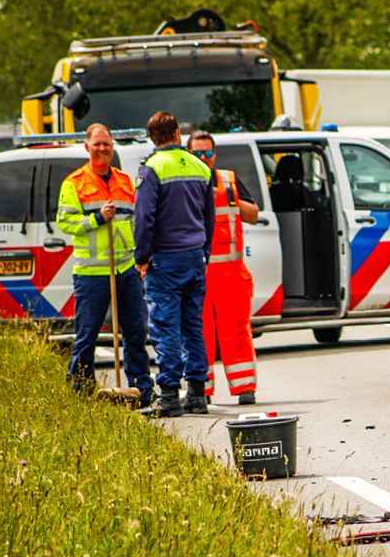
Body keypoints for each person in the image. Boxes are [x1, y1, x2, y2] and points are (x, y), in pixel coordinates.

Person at [57, 123, 155, 407]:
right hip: (91, 273)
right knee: (87, 334)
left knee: (135, 332)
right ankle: (81, 393)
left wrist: (141, 257)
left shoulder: (125, 182)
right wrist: (97, 219)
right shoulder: (74, 183)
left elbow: (137, 222)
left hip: (125, 269)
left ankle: (142, 391)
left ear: (113, 148)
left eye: (107, 144)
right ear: (87, 147)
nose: (102, 149)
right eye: (97, 144)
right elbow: (65, 223)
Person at [134, 112, 215, 417]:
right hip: (195, 257)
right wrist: (203, 251)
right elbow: (209, 217)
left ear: (153, 137)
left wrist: (141, 257)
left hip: (165, 260)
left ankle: (168, 396)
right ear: (178, 133)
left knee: (165, 326)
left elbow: (144, 218)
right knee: (193, 325)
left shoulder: (152, 168)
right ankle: (197, 394)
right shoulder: (199, 165)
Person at [185, 130, 260, 405]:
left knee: (237, 331)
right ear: (189, 154)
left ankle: (245, 388)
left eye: (208, 153)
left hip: (231, 275)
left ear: (215, 154)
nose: (204, 158)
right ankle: (200, 391)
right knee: (198, 331)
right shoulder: (184, 183)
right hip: (198, 274)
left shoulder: (229, 180)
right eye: (197, 153)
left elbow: (253, 214)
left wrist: (230, 200)